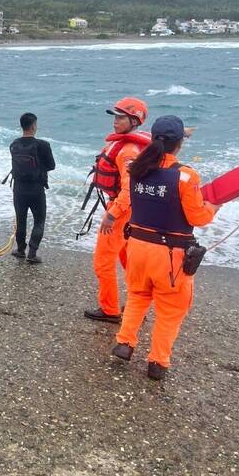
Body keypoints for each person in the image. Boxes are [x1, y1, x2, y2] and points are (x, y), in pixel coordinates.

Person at [110, 115, 220, 380]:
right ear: (179, 144)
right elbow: (197, 218)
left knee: (137, 296)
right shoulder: (185, 176)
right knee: (170, 309)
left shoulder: (136, 168)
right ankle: (157, 362)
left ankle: (124, 343)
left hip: (137, 247)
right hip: (170, 255)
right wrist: (213, 207)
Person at [83, 97, 151, 323]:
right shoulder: (129, 146)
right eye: (115, 116)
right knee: (126, 259)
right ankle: (135, 305)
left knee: (103, 262)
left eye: (121, 117)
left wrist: (112, 215)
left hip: (121, 211)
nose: (115, 121)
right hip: (131, 212)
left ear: (134, 121)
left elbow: (129, 189)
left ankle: (110, 310)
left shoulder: (128, 151)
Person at [7, 113, 56, 263]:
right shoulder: (43, 145)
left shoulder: (14, 144)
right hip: (36, 189)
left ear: (21, 126)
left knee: (20, 220)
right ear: (34, 125)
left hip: (19, 189)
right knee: (39, 221)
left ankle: (20, 250)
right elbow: (51, 166)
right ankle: (32, 254)